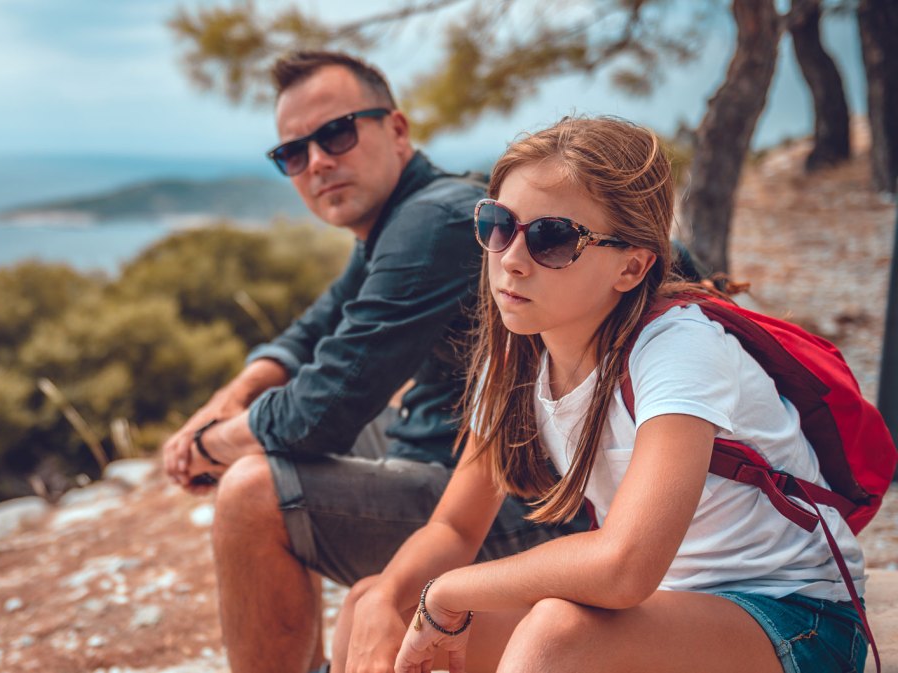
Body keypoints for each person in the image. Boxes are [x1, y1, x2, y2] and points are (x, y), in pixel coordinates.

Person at [335, 116, 868, 673]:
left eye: (553, 238)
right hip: (666, 613)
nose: (511, 258)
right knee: (372, 607)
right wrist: (388, 597)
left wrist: (445, 592)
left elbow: (624, 567)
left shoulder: (678, 349)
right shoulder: (518, 354)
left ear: (632, 266)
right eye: (497, 225)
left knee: (556, 634)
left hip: (797, 621)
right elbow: (456, 527)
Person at [159, 51, 584, 673]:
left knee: (253, 490)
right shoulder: (401, 219)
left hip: (532, 506)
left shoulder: (433, 222)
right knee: (264, 446)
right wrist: (232, 398)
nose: (318, 162)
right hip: (457, 448)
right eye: (293, 154)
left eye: (336, 133)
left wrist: (209, 446)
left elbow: (321, 412)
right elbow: (314, 329)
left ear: (397, 130)